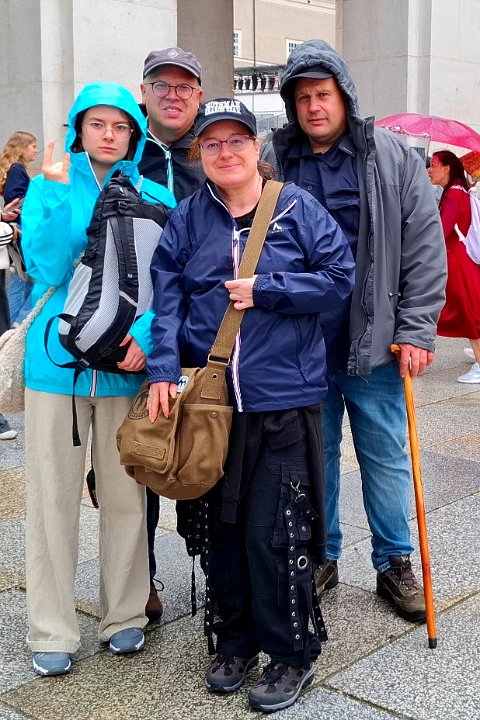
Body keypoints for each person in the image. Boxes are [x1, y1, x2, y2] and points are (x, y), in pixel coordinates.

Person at [147, 98, 355, 713]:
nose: (226, 152)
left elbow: (339, 278)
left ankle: (291, 653)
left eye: (237, 140)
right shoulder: (189, 217)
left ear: (256, 148)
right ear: (199, 154)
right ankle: (233, 641)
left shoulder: (297, 208)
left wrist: (268, 289)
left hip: (283, 399)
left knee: (277, 531)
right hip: (211, 407)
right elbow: (167, 300)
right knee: (221, 529)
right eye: (212, 143)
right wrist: (162, 370)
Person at [261, 39, 447, 623]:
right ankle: (323, 554)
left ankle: (394, 560)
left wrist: (417, 329)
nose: (314, 107)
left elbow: (424, 247)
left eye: (323, 94)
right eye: (303, 98)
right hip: (298, 349)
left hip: (376, 342)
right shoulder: (274, 159)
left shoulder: (391, 156)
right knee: (313, 458)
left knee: (386, 457)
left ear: (344, 95)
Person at [20, 82, 175, 677]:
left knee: (125, 496)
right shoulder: (50, 185)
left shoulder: (155, 192)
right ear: (78, 129)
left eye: (120, 126)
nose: (109, 135)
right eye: (97, 124)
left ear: (134, 134)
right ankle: (51, 627)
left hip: (122, 367)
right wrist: (57, 193)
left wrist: (152, 332)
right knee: (51, 500)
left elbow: (173, 279)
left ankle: (125, 613)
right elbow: (47, 267)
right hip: (55, 365)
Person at [139, 46, 205, 621]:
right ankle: (141, 577)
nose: (173, 95)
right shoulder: (122, 155)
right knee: (138, 460)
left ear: (199, 96)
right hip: (131, 341)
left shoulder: (215, 155)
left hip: (200, 342)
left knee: (203, 455)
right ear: (145, 93)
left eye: (184, 86)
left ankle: (214, 571)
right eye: (162, 84)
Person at [428, 150, 480, 383]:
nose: (429, 170)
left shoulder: (452, 195)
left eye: (433, 165)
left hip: (457, 260)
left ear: (446, 168)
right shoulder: (460, 190)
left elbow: (441, 231)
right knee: (470, 307)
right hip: (463, 257)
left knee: (469, 310)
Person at [0, 131, 38, 324]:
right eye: (33, 146)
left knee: (26, 280)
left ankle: (17, 324)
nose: (36, 151)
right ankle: (15, 325)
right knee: (22, 280)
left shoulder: (17, 168)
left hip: (19, 230)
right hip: (21, 231)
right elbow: (14, 200)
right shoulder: (17, 169)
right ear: (22, 148)